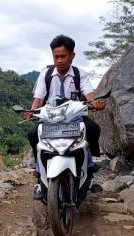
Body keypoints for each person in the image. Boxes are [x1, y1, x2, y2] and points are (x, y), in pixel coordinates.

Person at [27, 34, 106, 199]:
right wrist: (32, 111)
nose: (59, 60)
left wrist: (95, 102)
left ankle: (89, 168)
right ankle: (39, 174)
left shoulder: (79, 74)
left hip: (74, 117)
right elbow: (39, 98)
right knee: (33, 134)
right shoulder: (46, 74)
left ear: (72, 55)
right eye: (56, 56)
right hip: (50, 118)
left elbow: (89, 93)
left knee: (93, 129)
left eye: (63, 56)